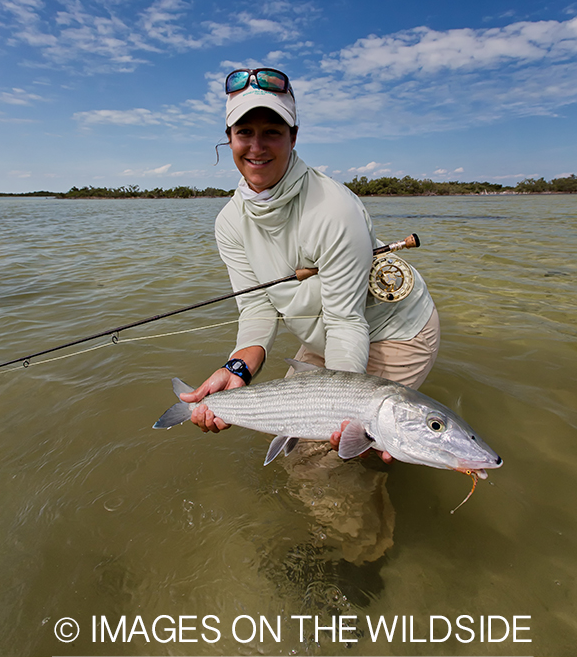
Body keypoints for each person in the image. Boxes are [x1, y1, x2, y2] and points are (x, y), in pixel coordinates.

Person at [180, 67, 440, 460]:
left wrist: (344, 411)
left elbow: (345, 321)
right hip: (325, 334)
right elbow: (256, 310)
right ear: (229, 139)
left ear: (294, 137)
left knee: (330, 467)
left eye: (272, 131)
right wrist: (236, 370)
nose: (257, 146)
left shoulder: (333, 209)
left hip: (394, 332)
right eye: (245, 132)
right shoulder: (229, 222)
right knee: (296, 455)